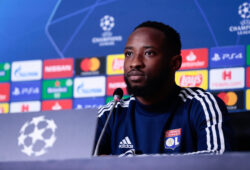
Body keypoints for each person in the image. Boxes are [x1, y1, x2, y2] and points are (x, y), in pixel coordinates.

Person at [95, 21, 231, 156]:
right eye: (129, 54)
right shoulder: (110, 114)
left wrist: (129, 162)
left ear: (174, 63)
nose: (135, 63)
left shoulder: (200, 105)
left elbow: (217, 162)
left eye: (149, 53)